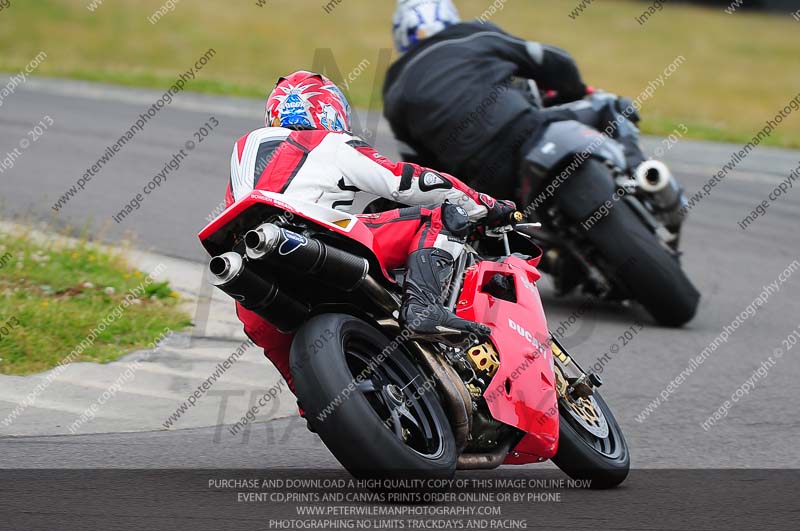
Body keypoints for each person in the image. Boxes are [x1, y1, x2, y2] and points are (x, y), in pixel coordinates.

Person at [224, 70, 515, 392]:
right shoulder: (331, 142)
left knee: (301, 377)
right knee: (437, 217)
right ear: (330, 111)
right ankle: (423, 307)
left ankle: (317, 407)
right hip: (315, 240)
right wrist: (484, 204)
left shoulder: (244, 151)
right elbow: (409, 182)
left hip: (250, 276)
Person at [383, 0, 646, 203]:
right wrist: (574, 93)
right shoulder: (471, 34)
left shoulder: (393, 88)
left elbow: (419, 164)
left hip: (484, 184)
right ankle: (642, 177)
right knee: (612, 104)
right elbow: (554, 61)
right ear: (450, 17)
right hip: (528, 129)